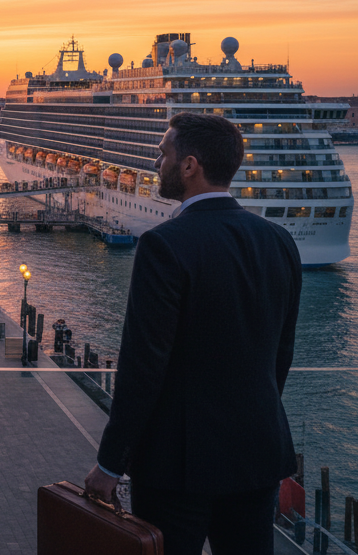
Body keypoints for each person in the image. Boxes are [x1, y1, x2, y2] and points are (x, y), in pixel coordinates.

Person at [83, 113, 301, 555]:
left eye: (164, 153)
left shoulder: (164, 245)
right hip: (257, 453)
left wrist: (110, 464)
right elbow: (281, 353)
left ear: (189, 166)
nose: (156, 161)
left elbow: (143, 367)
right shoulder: (279, 240)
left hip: (177, 465)